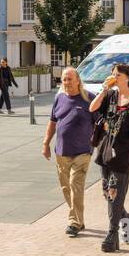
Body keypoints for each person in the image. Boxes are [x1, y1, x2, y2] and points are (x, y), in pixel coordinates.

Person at [89, 62, 129, 253]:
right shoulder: (110, 95)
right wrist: (104, 90)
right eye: (112, 74)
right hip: (106, 150)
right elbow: (92, 108)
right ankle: (128, 220)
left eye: (118, 75)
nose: (114, 77)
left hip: (124, 153)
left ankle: (112, 234)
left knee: (116, 192)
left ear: (128, 78)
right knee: (107, 192)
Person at [41, 67, 96, 237]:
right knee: (66, 188)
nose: (66, 82)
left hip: (82, 151)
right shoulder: (59, 99)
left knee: (76, 186)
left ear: (78, 80)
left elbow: (100, 124)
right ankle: (79, 219)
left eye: (69, 79)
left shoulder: (89, 99)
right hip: (62, 151)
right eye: (64, 79)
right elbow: (52, 123)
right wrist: (46, 144)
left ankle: (74, 222)